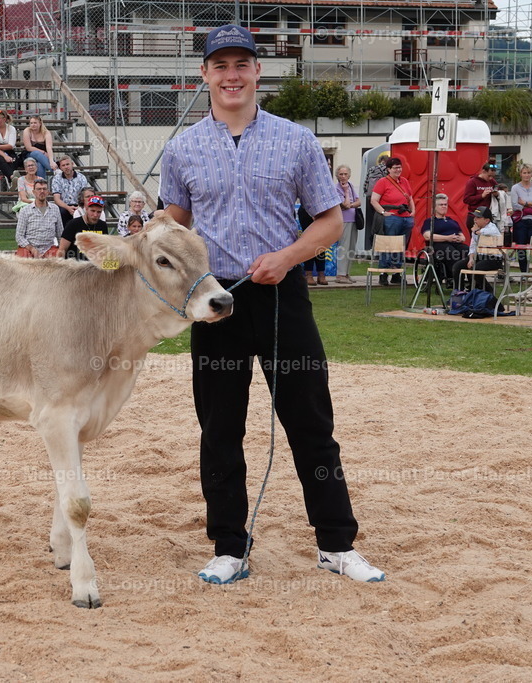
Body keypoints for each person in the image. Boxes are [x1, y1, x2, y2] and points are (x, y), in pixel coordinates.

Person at [160, 24, 384, 586]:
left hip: (282, 295)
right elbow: (175, 225)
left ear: (258, 71)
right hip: (216, 302)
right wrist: (143, 237)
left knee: (311, 423)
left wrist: (287, 257)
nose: (231, 76)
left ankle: (337, 543)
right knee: (219, 428)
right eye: (220, 66)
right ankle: (229, 547)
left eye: (242, 64)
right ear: (205, 75)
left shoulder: (296, 140)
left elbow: (331, 221)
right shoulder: (181, 148)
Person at [369, 156, 415, 286]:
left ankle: (396, 273)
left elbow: (410, 198)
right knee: (388, 244)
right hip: (391, 216)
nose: (398, 170)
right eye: (395, 168)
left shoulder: (404, 181)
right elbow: (374, 200)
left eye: (399, 167)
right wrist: (384, 213)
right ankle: (384, 273)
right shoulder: (382, 182)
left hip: (405, 216)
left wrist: (413, 212)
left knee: (400, 245)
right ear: (388, 169)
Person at [420, 193, 467, 286]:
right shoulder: (430, 221)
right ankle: (456, 282)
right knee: (453, 253)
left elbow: (463, 237)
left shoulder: (452, 221)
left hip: (455, 243)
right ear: (434, 207)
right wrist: (447, 238)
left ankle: (472, 281)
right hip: (438, 245)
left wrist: (459, 238)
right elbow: (427, 236)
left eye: (445, 204)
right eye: (441, 205)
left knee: (468, 252)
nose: (443, 206)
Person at [452, 207, 502, 291]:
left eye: (478, 217)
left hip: (493, 258)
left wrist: (476, 232)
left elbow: (491, 232)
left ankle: (488, 291)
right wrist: (471, 258)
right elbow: (472, 246)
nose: (475, 219)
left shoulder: (492, 228)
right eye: (474, 217)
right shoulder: (476, 229)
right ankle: (459, 293)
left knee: (476, 270)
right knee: (457, 267)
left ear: (486, 220)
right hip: (479, 256)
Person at [510, 163, 532, 274]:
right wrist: (531, 205)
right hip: (521, 221)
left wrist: (524, 203)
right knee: (521, 248)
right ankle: (524, 273)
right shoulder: (515, 188)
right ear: (521, 174)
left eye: (529, 173)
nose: (526, 175)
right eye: (524, 173)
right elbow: (515, 205)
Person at [15, 178, 62, 258]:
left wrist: (61, 249)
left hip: (49, 248)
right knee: (21, 260)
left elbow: (60, 233)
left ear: (48, 192)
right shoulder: (25, 210)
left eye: (44, 189)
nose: (42, 191)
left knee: (58, 260)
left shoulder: (55, 209)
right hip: (29, 248)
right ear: (33, 192)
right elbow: (19, 236)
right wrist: (32, 249)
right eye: (39, 189)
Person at [334, 164, 361, 284]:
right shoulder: (337, 188)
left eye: (345, 174)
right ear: (337, 176)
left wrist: (351, 204)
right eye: (341, 174)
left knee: (351, 247)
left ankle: (347, 273)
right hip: (343, 220)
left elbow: (358, 202)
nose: (343, 176)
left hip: (353, 219)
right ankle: (340, 274)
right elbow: (344, 205)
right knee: (343, 247)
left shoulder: (350, 186)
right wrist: (346, 193)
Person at [59, 195, 107, 259]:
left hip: (95, 263)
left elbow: (105, 249)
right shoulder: (73, 224)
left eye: (99, 212)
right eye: (92, 211)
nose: (95, 215)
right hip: (75, 264)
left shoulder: (102, 225)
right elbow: (62, 249)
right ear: (86, 209)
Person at [51, 157, 88, 226]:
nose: (66, 167)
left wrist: (79, 207)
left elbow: (85, 196)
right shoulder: (56, 179)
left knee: (82, 212)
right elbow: (56, 199)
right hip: (63, 206)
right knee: (62, 212)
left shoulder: (81, 178)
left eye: (67, 164)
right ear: (60, 167)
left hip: (79, 205)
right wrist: (68, 208)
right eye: (63, 165)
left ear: (72, 164)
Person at [297, 204, 327, 286]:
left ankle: (321, 273)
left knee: (321, 243)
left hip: (321, 209)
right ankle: (308, 274)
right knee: (309, 242)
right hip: (306, 209)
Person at [21, 115, 56, 179]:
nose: (33, 125)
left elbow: (49, 147)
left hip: (42, 158)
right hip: (29, 154)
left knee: (39, 165)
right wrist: (43, 152)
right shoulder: (27, 131)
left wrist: (51, 161)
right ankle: (55, 170)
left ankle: (40, 184)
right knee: (36, 153)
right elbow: (29, 148)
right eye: (31, 123)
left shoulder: (46, 132)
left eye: (35, 123)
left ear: (40, 123)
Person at [463, 163, 497, 230]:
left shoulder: (492, 182)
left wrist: (497, 194)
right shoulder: (472, 182)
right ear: (483, 171)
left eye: (493, 176)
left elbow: (499, 189)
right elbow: (466, 199)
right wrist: (481, 196)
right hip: (475, 216)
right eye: (489, 176)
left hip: (487, 217)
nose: (490, 178)